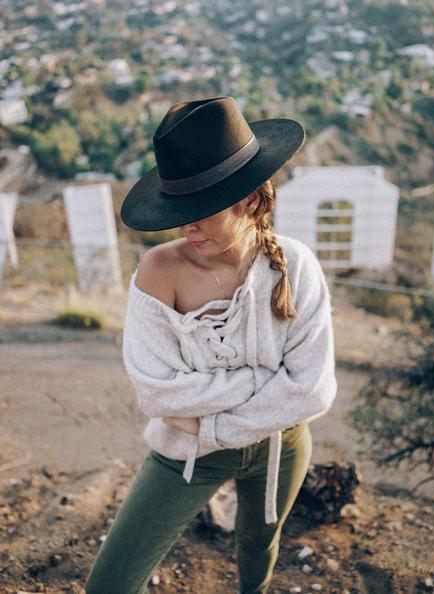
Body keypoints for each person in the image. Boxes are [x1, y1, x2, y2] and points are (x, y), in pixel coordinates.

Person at [84, 96, 337, 594]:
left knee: (258, 548)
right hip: (186, 452)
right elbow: (156, 393)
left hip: (280, 448)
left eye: (202, 209)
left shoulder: (297, 265)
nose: (187, 224)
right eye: (181, 209)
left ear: (251, 198)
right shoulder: (159, 271)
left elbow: (313, 391)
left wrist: (212, 414)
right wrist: (261, 385)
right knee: (110, 583)